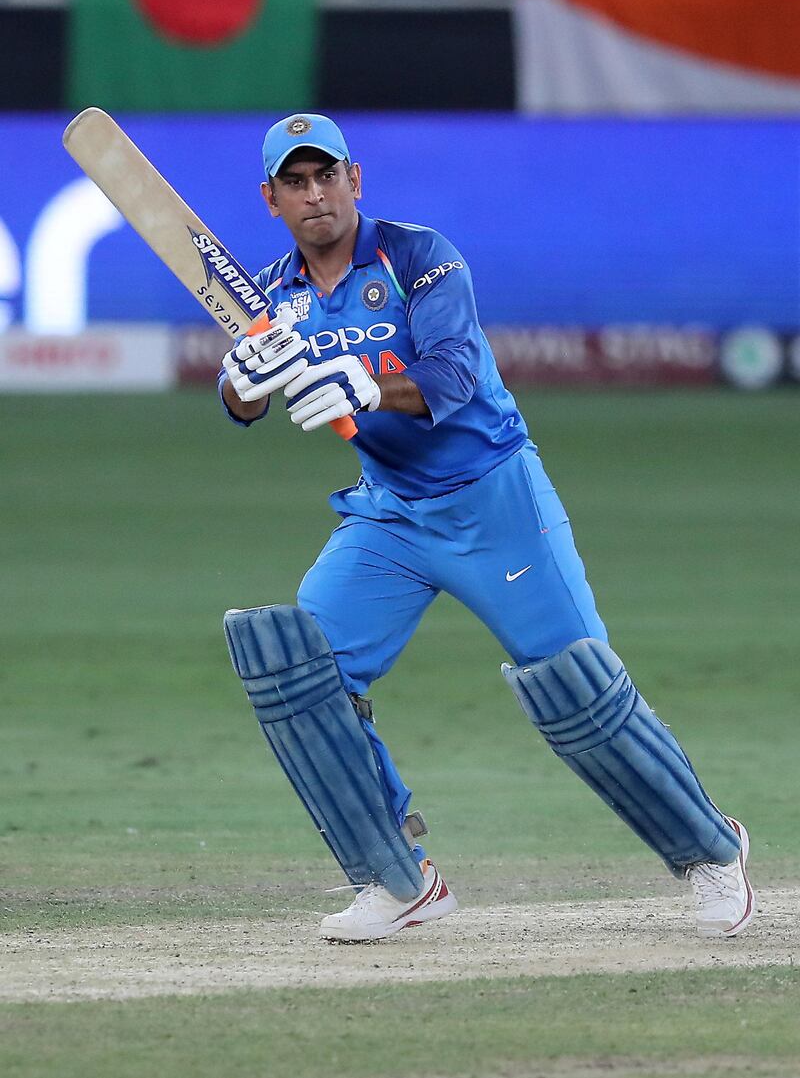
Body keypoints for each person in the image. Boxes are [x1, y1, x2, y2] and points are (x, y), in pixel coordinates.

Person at [219, 112, 755, 943]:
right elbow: (244, 402)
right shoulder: (276, 296)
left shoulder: (420, 257)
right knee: (300, 668)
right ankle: (397, 876)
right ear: (272, 198)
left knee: (579, 686)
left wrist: (363, 381)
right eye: (296, 181)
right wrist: (241, 381)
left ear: (355, 179)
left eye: (327, 175)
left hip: (494, 498)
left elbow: (456, 373)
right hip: (391, 511)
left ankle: (711, 852)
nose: (315, 193)